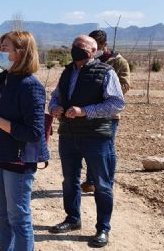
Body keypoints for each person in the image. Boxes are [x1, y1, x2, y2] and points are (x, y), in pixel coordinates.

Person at [48, 35, 125, 248]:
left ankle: (103, 228)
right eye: (74, 46)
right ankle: (72, 219)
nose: (76, 50)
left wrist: (85, 111)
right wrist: (54, 107)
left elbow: (117, 103)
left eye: (81, 47)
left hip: (96, 137)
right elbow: (55, 96)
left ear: (93, 51)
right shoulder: (66, 71)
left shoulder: (105, 72)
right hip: (69, 135)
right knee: (70, 180)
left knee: (102, 184)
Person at [0, 31, 48, 251]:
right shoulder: (5, 80)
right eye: (0, 47)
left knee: (18, 217)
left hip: (18, 161)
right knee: (4, 216)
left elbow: (34, 132)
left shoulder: (30, 85)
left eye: (5, 48)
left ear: (21, 52)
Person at [81, 30, 131, 193]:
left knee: (107, 149)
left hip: (109, 114)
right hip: (89, 112)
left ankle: (106, 182)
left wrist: (101, 91)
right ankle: (91, 181)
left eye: (96, 45)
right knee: (90, 148)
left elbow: (125, 85)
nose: (93, 49)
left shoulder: (119, 62)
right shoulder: (88, 61)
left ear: (103, 45)